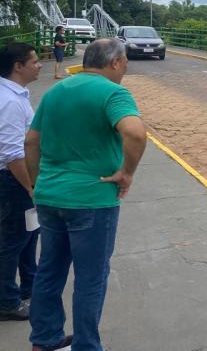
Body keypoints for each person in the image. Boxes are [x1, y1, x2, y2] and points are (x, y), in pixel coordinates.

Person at [25, 39, 147, 351]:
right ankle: (86, 346)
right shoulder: (113, 92)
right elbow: (134, 132)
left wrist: (39, 183)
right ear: (116, 62)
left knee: (49, 270)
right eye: (126, 62)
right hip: (91, 200)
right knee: (91, 278)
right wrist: (127, 171)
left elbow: (31, 142)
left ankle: (45, 339)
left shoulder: (56, 92)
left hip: (50, 197)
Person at [0, 43, 41, 322]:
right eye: (34, 61)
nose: (39, 65)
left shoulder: (15, 94)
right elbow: (12, 154)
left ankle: (30, 285)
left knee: (29, 234)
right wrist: (29, 186)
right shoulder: (11, 101)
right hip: (13, 180)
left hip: (17, 180)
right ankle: (7, 301)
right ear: (18, 66)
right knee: (12, 241)